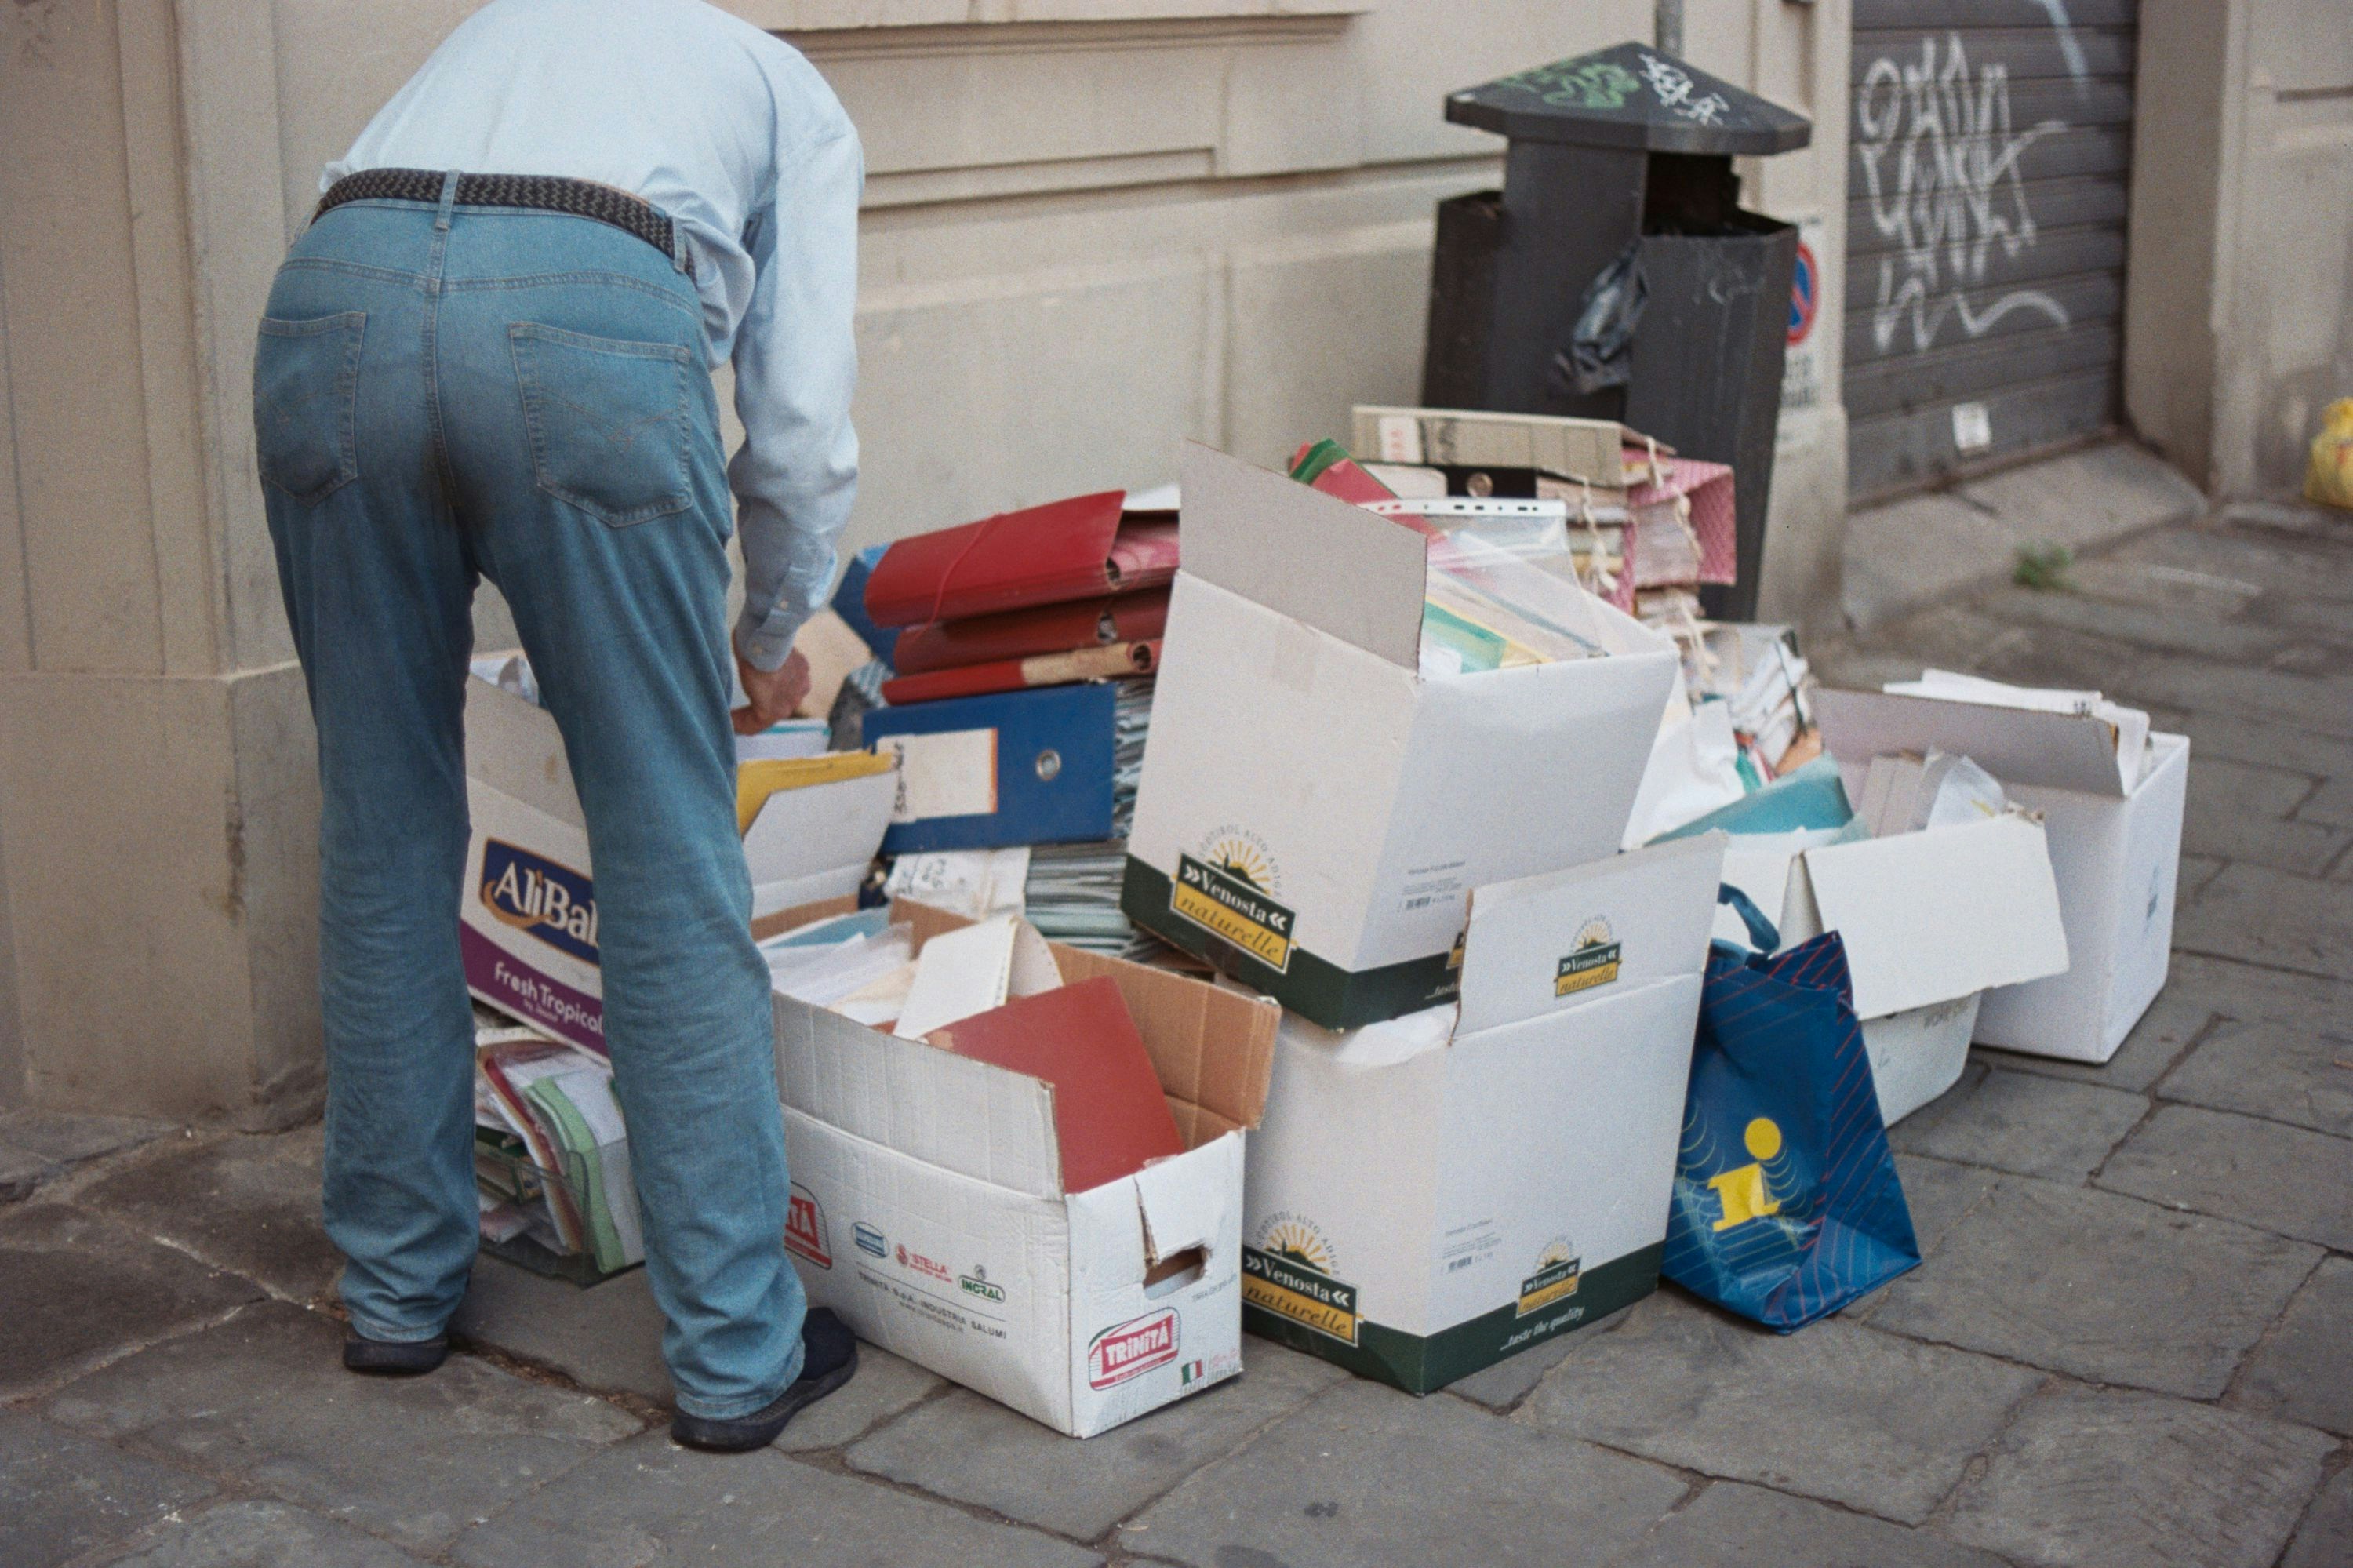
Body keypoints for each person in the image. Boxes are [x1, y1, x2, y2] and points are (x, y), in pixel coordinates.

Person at [253, 0, 861, 1451]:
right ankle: (733, 1355)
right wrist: (769, 636)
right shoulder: (782, 85)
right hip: (587, 321)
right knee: (661, 841)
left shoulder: (497, 31)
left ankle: (397, 1294)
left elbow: (410, 233)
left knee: (382, 824)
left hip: (332, 295)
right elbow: (800, 431)